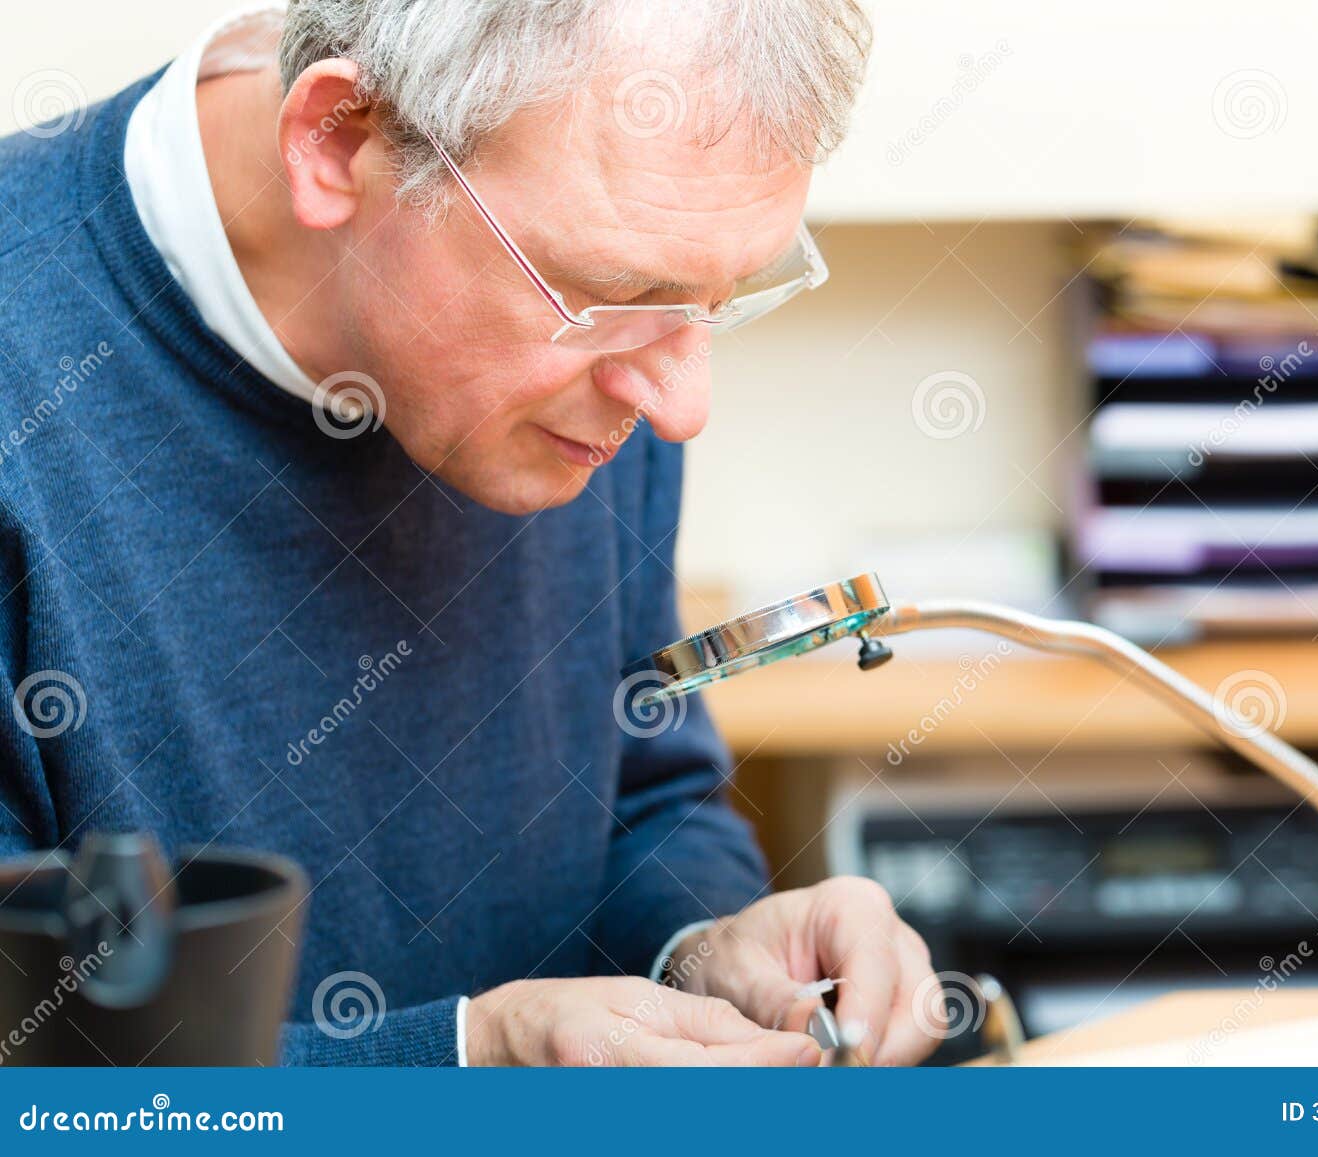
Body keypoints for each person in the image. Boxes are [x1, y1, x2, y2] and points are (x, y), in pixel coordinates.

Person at [0, 0, 943, 1066]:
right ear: (338, 139)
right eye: (614, 295)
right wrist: (466, 1060)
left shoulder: (615, 332)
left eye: (721, 301)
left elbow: (640, 790)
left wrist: (705, 942)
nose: (681, 406)